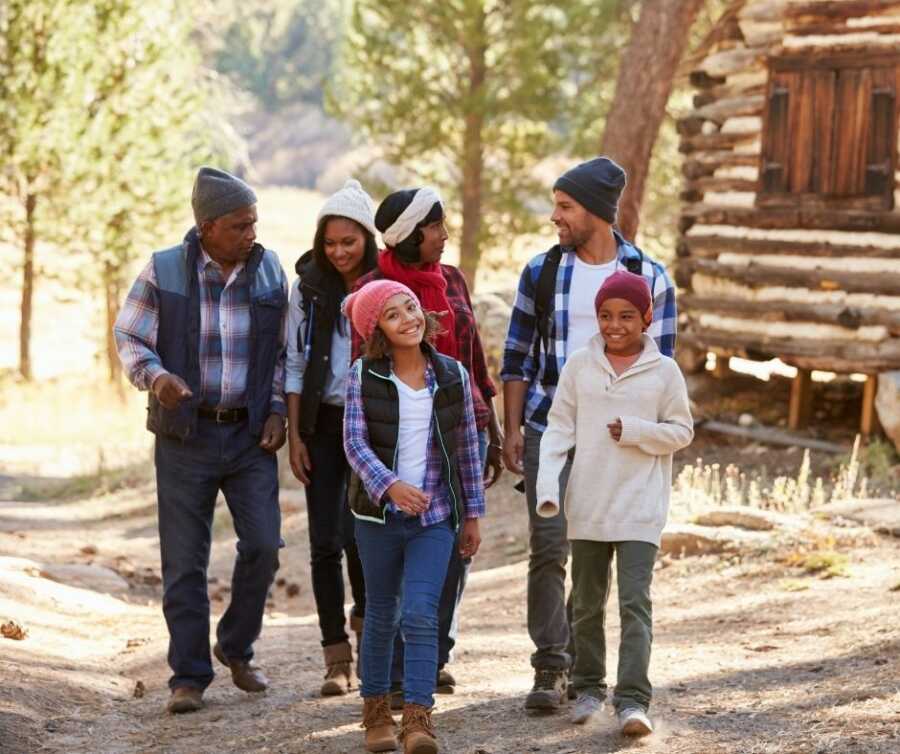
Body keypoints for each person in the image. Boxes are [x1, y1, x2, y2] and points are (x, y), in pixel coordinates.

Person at [501, 156, 678, 712]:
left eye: (565, 206)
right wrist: (512, 429)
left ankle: (590, 674)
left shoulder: (651, 276)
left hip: (617, 439)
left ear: (597, 213)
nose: (555, 217)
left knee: (601, 553)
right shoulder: (543, 271)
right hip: (548, 426)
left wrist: (647, 436)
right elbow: (516, 357)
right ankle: (550, 669)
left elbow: (662, 367)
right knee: (549, 550)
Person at [114, 167, 288, 714]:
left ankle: (235, 647)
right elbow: (130, 335)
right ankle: (188, 676)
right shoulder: (164, 269)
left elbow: (285, 353)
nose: (251, 234)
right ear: (208, 227)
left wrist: (279, 407)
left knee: (263, 546)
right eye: (240, 225)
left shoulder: (268, 271)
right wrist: (156, 378)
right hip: (184, 436)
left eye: (254, 223)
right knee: (184, 562)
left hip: (248, 435)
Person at [351, 187, 501, 700]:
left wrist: (492, 424)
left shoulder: (453, 278)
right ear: (413, 235)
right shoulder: (376, 288)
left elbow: (474, 356)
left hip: (463, 430)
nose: (444, 234)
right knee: (395, 571)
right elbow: (364, 373)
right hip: (402, 443)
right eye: (436, 226)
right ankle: (392, 675)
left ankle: (431, 657)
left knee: (453, 552)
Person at [536, 270, 693, 735]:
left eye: (626, 316)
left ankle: (632, 701)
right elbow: (558, 430)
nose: (615, 325)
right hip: (588, 503)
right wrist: (548, 490)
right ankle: (587, 690)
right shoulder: (579, 367)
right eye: (606, 315)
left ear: (647, 317)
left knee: (634, 603)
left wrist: (639, 431)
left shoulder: (665, 372)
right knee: (584, 604)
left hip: (641, 506)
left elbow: (682, 432)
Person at [342, 280, 485, 754]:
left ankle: (419, 720)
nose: (409, 319)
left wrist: (472, 515)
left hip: (436, 517)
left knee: (423, 613)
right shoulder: (363, 374)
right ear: (377, 330)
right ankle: (377, 714)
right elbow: (355, 444)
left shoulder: (453, 376)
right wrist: (390, 486)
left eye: (411, 307)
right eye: (393, 315)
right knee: (382, 613)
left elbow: (466, 449)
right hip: (377, 519)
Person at [286, 179, 379, 695]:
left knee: (360, 535)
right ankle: (334, 655)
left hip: (372, 427)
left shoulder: (385, 285)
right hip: (322, 423)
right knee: (324, 540)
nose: (339, 251)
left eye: (349, 241)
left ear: (367, 237)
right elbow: (295, 363)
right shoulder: (307, 289)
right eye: (330, 242)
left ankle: (370, 636)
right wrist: (298, 435)